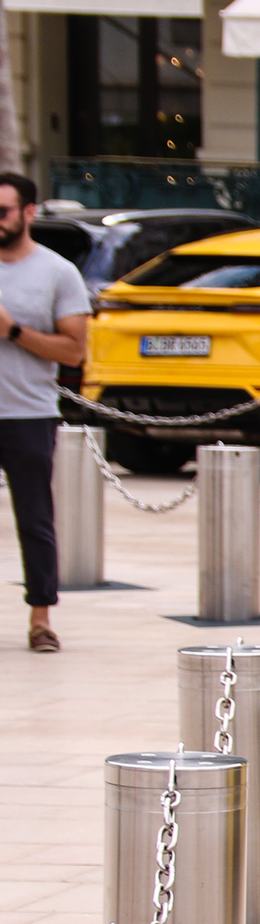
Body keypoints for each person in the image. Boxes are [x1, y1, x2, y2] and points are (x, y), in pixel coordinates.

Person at [0, 174, 90, 653]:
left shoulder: (58, 273)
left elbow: (75, 351)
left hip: (27, 414)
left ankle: (40, 618)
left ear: (29, 212)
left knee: (34, 518)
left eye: (3, 212)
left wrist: (12, 330)